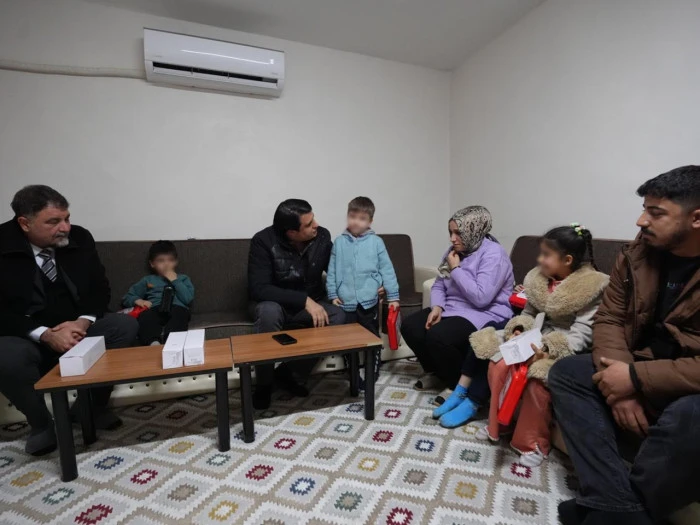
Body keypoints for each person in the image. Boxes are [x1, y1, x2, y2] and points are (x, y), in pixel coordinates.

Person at [550, 166, 700, 525]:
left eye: (656, 213)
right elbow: (609, 319)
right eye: (644, 209)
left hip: (687, 383)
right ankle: (620, 508)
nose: (641, 221)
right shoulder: (636, 254)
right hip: (634, 362)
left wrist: (635, 379)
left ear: (696, 218)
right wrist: (619, 382)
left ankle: (611, 509)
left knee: (690, 416)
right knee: (567, 373)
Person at [0, 185, 138, 456]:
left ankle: (90, 407)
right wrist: (45, 334)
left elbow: (100, 289)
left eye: (67, 218)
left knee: (124, 326)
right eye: (53, 222)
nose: (65, 228)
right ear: (25, 223)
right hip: (26, 334)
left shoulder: (80, 238)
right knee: (4, 355)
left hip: (77, 327)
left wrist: (82, 322)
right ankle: (41, 424)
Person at [465, 225, 608, 466]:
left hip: (562, 346)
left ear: (567, 260)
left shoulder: (591, 287)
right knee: (498, 362)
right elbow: (528, 312)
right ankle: (499, 423)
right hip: (534, 335)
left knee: (537, 379)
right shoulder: (538, 279)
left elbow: (583, 333)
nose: (539, 260)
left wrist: (548, 349)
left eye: (546, 255)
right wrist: (518, 329)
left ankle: (532, 442)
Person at [400, 206, 514, 418]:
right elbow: (439, 285)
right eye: (450, 232)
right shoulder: (454, 252)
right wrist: (437, 306)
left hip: (485, 312)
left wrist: (456, 269)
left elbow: (481, 298)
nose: (452, 239)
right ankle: (438, 373)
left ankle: (458, 386)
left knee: (439, 336)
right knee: (411, 326)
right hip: (453, 308)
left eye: (458, 233)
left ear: (475, 230)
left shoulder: (494, 254)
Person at [248, 199, 346, 409]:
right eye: (309, 224)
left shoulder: (322, 237)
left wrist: (368, 284)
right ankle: (264, 384)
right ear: (291, 232)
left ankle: (288, 373)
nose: (316, 225)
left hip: (311, 303)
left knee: (338, 315)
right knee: (268, 312)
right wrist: (303, 300)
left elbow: (336, 272)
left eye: (314, 218)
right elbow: (258, 288)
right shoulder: (262, 241)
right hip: (276, 305)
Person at [326, 196, 400, 387]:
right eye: (352, 216)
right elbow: (332, 271)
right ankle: (352, 374)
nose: (356, 222)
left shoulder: (376, 242)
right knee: (347, 340)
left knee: (372, 338)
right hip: (346, 300)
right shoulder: (339, 242)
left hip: (369, 300)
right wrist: (333, 294)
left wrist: (393, 296)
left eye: (362, 218)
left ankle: (372, 370)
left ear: (370, 221)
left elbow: (387, 269)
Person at [122, 240, 195, 345]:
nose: (166, 264)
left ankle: (172, 343)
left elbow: (187, 299)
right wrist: (138, 301)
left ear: (176, 262)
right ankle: (153, 343)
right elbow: (128, 297)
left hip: (177, 307)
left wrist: (175, 281)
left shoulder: (183, 278)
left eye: (170, 260)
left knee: (180, 315)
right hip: (155, 307)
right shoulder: (148, 280)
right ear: (152, 264)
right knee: (145, 317)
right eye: (161, 261)